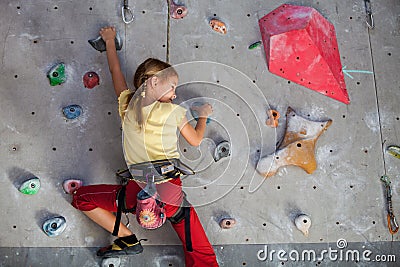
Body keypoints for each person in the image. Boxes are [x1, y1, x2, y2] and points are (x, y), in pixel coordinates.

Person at [70, 26, 219, 266]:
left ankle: (127, 239)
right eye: (172, 87)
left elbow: (114, 70)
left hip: (136, 196)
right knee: (203, 257)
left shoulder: (127, 105)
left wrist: (109, 40)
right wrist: (202, 116)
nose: (174, 93)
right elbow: (196, 140)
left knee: (81, 198)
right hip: (172, 198)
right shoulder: (174, 112)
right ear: (154, 82)